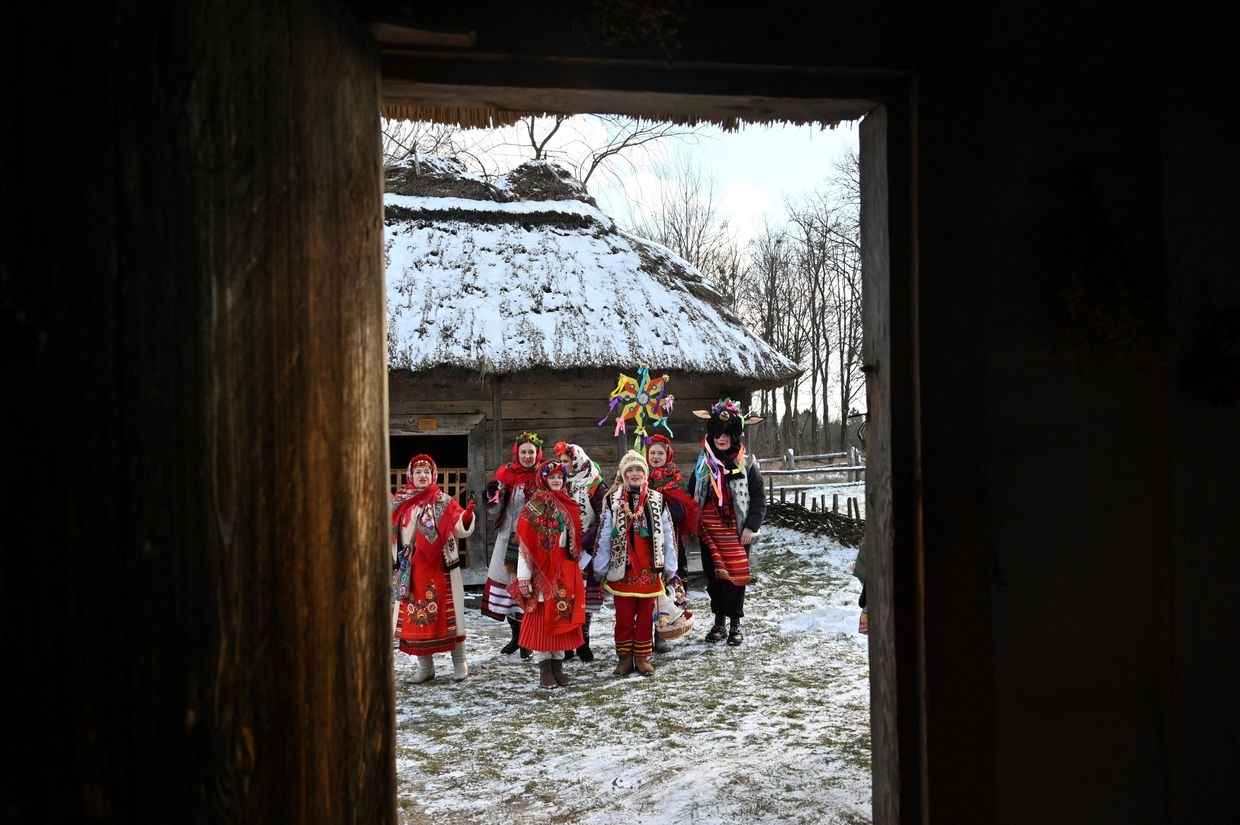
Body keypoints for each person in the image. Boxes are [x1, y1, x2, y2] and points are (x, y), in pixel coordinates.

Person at [685, 398, 766, 646]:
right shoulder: (703, 463)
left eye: (726, 434)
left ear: (734, 435)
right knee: (715, 578)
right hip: (709, 531)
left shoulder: (747, 463)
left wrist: (751, 526)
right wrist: (690, 526)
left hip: (736, 532)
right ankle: (718, 622)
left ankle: (735, 624)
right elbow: (691, 495)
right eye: (717, 434)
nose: (721, 439)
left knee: (736, 578)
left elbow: (758, 497)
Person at [591, 450, 678, 676]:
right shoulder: (612, 500)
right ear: (623, 474)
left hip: (650, 569)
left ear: (645, 473)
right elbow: (603, 534)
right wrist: (600, 566)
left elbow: (668, 533)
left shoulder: (658, 499)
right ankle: (624, 658)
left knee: (646, 616)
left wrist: (670, 565)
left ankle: (641, 657)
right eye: (630, 470)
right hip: (624, 570)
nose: (635, 473)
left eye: (639, 469)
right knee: (624, 617)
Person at [391, 454, 477, 683]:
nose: (422, 476)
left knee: (451, 616)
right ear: (410, 476)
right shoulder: (400, 503)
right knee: (416, 619)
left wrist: (467, 517)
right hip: (413, 570)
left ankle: (459, 662)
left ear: (433, 476)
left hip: (442, 568)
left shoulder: (445, 502)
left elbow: (460, 527)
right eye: (418, 472)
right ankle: (425, 667)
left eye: (426, 472)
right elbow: (393, 533)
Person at [513, 460, 587, 689]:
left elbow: (574, 542)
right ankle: (544, 668)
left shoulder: (569, 505)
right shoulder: (532, 508)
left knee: (561, 618)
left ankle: (558, 667)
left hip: (565, 569)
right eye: (552, 477)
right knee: (543, 623)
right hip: (541, 572)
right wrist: (523, 577)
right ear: (543, 479)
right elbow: (525, 546)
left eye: (560, 477)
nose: (556, 481)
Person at [479, 431, 543, 658]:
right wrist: (491, 495)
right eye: (524, 452)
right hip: (506, 538)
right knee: (506, 587)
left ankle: (527, 639)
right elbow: (494, 510)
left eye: (531, 452)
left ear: (537, 454)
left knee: (525, 587)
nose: (527, 456)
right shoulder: (505, 474)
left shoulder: (541, 476)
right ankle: (516, 636)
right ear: (517, 453)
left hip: (530, 541)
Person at [643, 434, 699, 653]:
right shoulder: (639, 477)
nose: (656, 457)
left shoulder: (674, 480)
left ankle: (662, 632)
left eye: (660, 453)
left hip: (670, 544)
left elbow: (679, 513)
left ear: (668, 455)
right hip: (645, 544)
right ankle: (644, 634)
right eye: (652, 453)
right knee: (647, 588)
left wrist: (660, 504)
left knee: (666, 586)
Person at [554, 441, 607, 662]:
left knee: (583, 597)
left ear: (577, 460)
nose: (563, 466)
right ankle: (568, 643)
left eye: (567, 461)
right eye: (562, 462)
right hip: (563, 549)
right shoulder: (560, 482)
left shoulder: (594, 483)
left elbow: (602, 516)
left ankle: (584, 641)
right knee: (566, 595)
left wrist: (583, 543)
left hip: (586, 550)